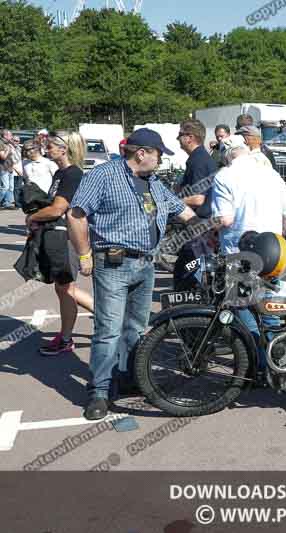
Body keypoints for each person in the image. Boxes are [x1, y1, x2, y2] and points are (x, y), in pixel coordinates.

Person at [67, 128, 197, 420]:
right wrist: (85, 254)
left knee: (136, 329)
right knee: (108, 331)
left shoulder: (153, 183)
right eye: (158, 155)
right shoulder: (103, 175)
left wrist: (218, 224)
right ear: (142, 153)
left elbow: (183, 212)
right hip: (113, 264)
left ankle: (128, 377)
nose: (161, 161)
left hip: (146, 264)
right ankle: (99, 392)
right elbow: (76, 215)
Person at [27, 132, 95, 356]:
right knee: (65, 288)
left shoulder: (73, 174)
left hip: (67, 238)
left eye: (51, 145)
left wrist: (34, 217)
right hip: (59, 236)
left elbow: (58, 209)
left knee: (66, 288)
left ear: (63, 149)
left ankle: (68, 338)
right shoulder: (61, 172)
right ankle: (108, 319)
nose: (46, 147)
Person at [212, 134, 286, 255]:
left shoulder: (223, 176)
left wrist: (208, 229)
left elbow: (225, 219)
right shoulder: (273, 174)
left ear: (226, 156)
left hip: (239, 251)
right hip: (273, 252)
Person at [178, 119, 217, 219]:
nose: (177, 138)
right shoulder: (200, 157)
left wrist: (174, 202)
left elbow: (198, 199)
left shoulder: (198, 161)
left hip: (203, 222)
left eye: (180, 135)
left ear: (190, 138)